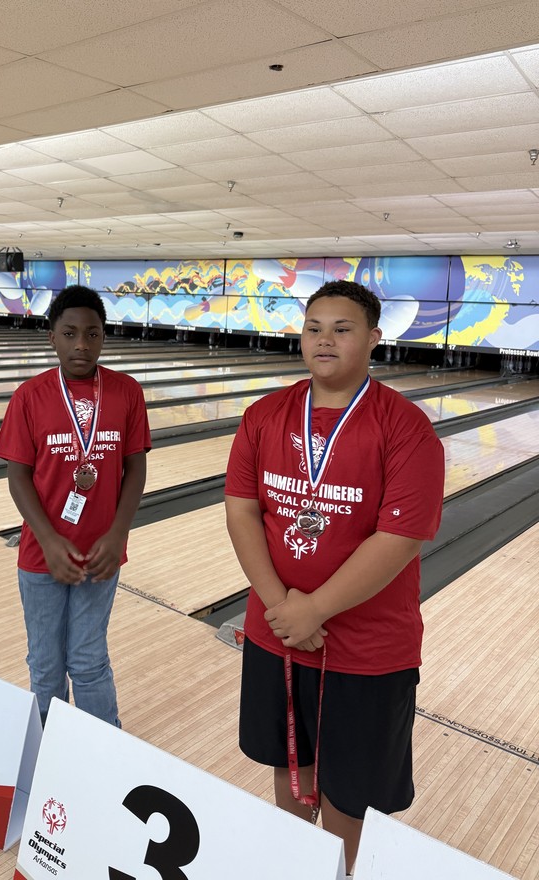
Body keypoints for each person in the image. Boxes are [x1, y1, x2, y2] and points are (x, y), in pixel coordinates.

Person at [224, 280, 444, 873]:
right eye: (314, 327)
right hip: (278, 633)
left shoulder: (404, 427)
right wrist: (282, 607)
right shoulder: (265, 415)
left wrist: (314, 609)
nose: (324, 339)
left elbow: (400, 538)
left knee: (353, 794)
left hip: (367, 650)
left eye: (342, 329)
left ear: (374, 338)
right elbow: (243, 509)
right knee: (289, 766)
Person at [0, 285, 150, 728]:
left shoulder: (126, 393)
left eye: (92, 334)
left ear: (104, 336)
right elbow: (18, 474)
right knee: (45, 665)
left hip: (101, 554)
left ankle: (102, 750)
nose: (81, 344)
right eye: (69, 333)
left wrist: (118, 532)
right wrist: (47, 537)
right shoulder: (30, 396)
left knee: (87, 660)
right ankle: (45, 752)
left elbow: (134, 469)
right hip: (41, 556)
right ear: (52, 338)